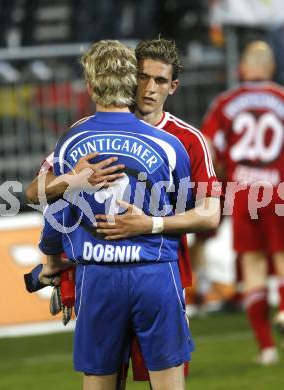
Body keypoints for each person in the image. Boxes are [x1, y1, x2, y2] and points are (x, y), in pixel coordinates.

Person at [26, 37, 221, 388]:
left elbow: (209, 215)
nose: (148, 88)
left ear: (173, 87)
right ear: (129, 77)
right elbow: (40, 190)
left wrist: (151, 223)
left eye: (160, 81)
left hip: (163, 272)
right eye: (143, 77)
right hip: (124, 272)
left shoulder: (187, 139)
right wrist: (70, 180)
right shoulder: (87, 134)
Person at [201, 40, 284, 365]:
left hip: (244, 193)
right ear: (272, 68)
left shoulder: (226, 102)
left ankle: (266, 349)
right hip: (279, 190)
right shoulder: (281, 98)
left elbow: (208, 146)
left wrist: (221, 174)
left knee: (252, 266)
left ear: (244, 68)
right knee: (281, 258)